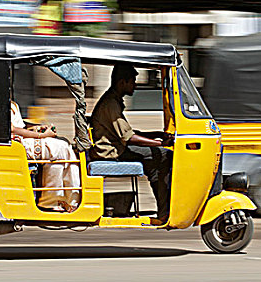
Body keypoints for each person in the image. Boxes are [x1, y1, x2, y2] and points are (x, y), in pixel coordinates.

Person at [90, 63, 173, 224]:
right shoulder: (110, 104)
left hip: (117, 148)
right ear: (122, 82)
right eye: (132, 81)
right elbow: (129, 138)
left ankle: (164, 210)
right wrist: (159, 143)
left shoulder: (114, 101)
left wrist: (158, 135)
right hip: (111, 153)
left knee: (156, 163)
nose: (135, 85)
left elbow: (129, 132)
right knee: (164, 155)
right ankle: (164, 211)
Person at [10, 101, 80, 212]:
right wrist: (41, 135)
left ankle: (65, 199)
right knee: (60, 149)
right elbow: (12, 129)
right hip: (16, 145)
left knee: (64, 145)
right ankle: (56, 200)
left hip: (21, 141)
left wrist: (37, 129)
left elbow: (19, 127)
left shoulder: (13, 104)